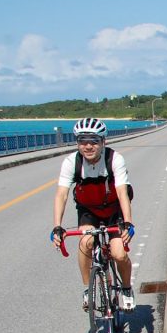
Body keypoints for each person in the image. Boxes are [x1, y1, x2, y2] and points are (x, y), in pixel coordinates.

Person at [50, 117, 136, 311]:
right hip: (89, 211)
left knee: (119, 254)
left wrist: (128, 223)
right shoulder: (71, 162)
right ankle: (88, 288)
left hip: (114, 210)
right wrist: (57, 226)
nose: (88, 146)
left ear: (103, 142)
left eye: (94, 141)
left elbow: (122, 192)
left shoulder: (114, 159)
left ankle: (127, 288)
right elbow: (61, 194)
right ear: (77, 143)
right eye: (82, 141)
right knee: (86, 242)